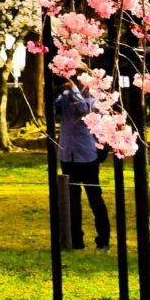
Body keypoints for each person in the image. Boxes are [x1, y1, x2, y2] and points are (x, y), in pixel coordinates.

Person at [54, 74, 110, 250]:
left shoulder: (93, 94)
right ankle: (75, 240)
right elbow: (54, 109)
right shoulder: (64, 95)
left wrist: (73, 90)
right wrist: (58, 91)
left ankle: (103, 241)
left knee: (95, 198)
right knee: (71, 199)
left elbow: (85, 111)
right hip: (67, 153)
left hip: (87, 155)